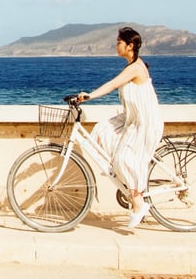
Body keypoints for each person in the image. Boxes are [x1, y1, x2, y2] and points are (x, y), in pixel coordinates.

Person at [70, 26, 164, 231]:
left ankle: (138, 202)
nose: (116, 46)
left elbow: (112, 84)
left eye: (119, 43)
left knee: (123, 158)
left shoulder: (136, 68)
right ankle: (127, 185)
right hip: (131, 119)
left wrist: (89, 96)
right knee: (102, 131)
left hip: (144, 122)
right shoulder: (132, 65)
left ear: (130, 46)